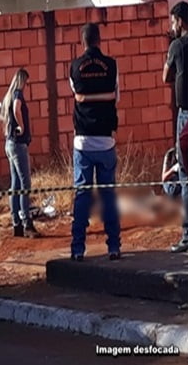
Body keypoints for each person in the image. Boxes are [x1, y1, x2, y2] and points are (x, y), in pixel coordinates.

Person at [68, 23, 121, 261]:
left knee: (82, 195)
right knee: (108, 195)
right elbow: (115, 98)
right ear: (99, 40)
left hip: (83, 141)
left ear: (83, 42)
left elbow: (77, 95)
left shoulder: (74, 67)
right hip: (105, 140)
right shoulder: (112, 66)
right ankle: (114, 247)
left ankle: (78, 249)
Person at [0, 68, 40, 238]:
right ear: (22, 81)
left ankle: (16, 223)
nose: (26, 86)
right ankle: (27, 223)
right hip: (18, 144)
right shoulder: (18, 94)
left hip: (9, 143)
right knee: (25, 184)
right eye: (26, 82)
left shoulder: (8, 95)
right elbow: (16, 109)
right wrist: (20, 125)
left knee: (15, 184)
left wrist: (9, 121)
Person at [163, 1, 188, 253]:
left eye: (173, 21)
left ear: (180, 21)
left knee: (185, 173)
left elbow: (165, 76)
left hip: (186, 115)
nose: (172, 26)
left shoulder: (177, 46)